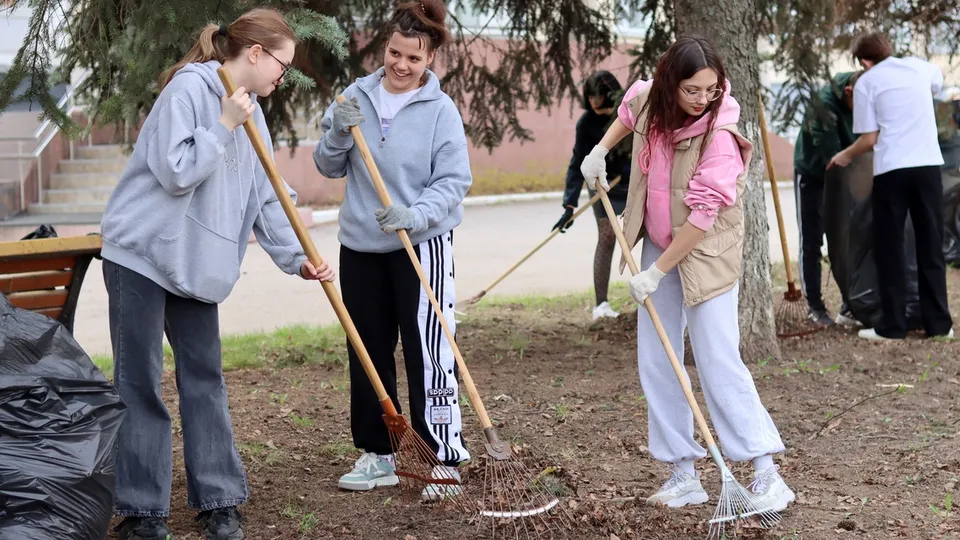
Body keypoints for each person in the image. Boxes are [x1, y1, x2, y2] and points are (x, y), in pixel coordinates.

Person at [98, 9, 335, 540]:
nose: (283, 75)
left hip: (196, 265)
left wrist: (297, 255)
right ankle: (143, 513)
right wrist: (223, 125)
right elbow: (176, 171)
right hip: (141, 255)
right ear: (255, 53)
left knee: (205, 381)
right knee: (139, 385)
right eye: (281, 63)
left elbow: (268, 193)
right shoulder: (188, 90)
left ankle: (220, 504)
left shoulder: (254, 114)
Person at [579, 36, 795, 512]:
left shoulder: (720, 135)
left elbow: (702, 218)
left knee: (717, 357)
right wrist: (599, 150)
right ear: (669, 84)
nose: (702, 99)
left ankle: (766, 473)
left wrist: (655, 272)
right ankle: (683, 472)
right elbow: (628, 112)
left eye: (711, 90)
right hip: (659, 241)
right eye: (691, 90)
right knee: (658, 358)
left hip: (705, 252)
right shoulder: (652, 98)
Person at [312, 0, 472, 502]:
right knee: (367, 351)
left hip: (420, 245)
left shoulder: (441, 112)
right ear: (385, 46)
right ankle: (378, 453)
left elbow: (454, 181)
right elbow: (327, 165)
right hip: (361, 245)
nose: (401, 66)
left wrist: (417, 213)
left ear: (431, 61)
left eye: (414, 58)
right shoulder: (354, 97)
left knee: (428, 349)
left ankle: (440, 455)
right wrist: (338, 130)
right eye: (395, 53)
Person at [828, 31, 955, 341]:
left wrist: (842, 156)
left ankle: (893, 326)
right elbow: (937, 86)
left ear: (864, 61)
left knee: (890, 248)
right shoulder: (920, 67)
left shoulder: (867, 83)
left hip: (892, 171)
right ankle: (940, 326)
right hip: (927, 167)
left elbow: (869, 139)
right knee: (931, 245)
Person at [554, 70, 633, 321]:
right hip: (602, 182)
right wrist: (569, 205)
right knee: (608, 235)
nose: (596, 106)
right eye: (591, 100)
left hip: (632, 182)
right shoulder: (586, 123)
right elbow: (577, 163)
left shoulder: (628, 115)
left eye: (600, 101)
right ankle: (601, 305)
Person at [792, 70, 863, 327]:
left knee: (847, 241)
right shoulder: (823, 105)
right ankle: (815, 306)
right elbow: (832, 155)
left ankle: (851, 305)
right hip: (813, 176)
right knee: (812, 243)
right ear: (848, 93)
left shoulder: (860, 96)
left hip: (846, 174)